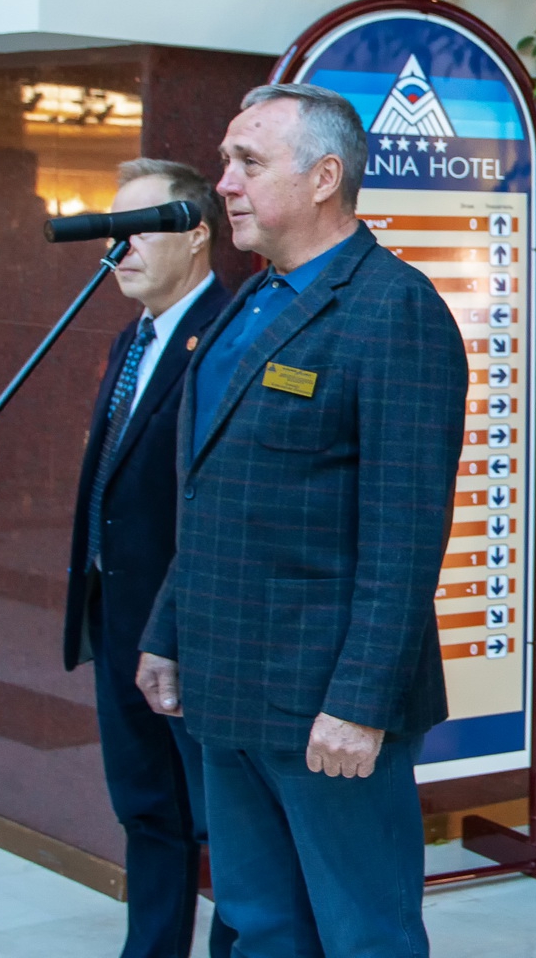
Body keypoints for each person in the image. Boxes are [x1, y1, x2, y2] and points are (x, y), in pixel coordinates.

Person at [136, 84, 467, 958]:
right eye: (225, 162)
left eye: (247, 162)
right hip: (227, 688)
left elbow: (405, 537)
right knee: (262, 927)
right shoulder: (249, 305)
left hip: (327, 707)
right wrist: (168, 630)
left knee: (365, 937)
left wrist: (359, 704)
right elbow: (212, 493)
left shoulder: (394, 309)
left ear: (324, 177)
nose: (224, 184)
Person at [62, 158, 234, 958]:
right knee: (145, 807)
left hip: (192, 630)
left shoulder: (229, 337)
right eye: (111, 230)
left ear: (196, 234)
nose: (117, 247)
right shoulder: (131, 339)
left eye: (137, 229)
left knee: (224, 824)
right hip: (117, 618)